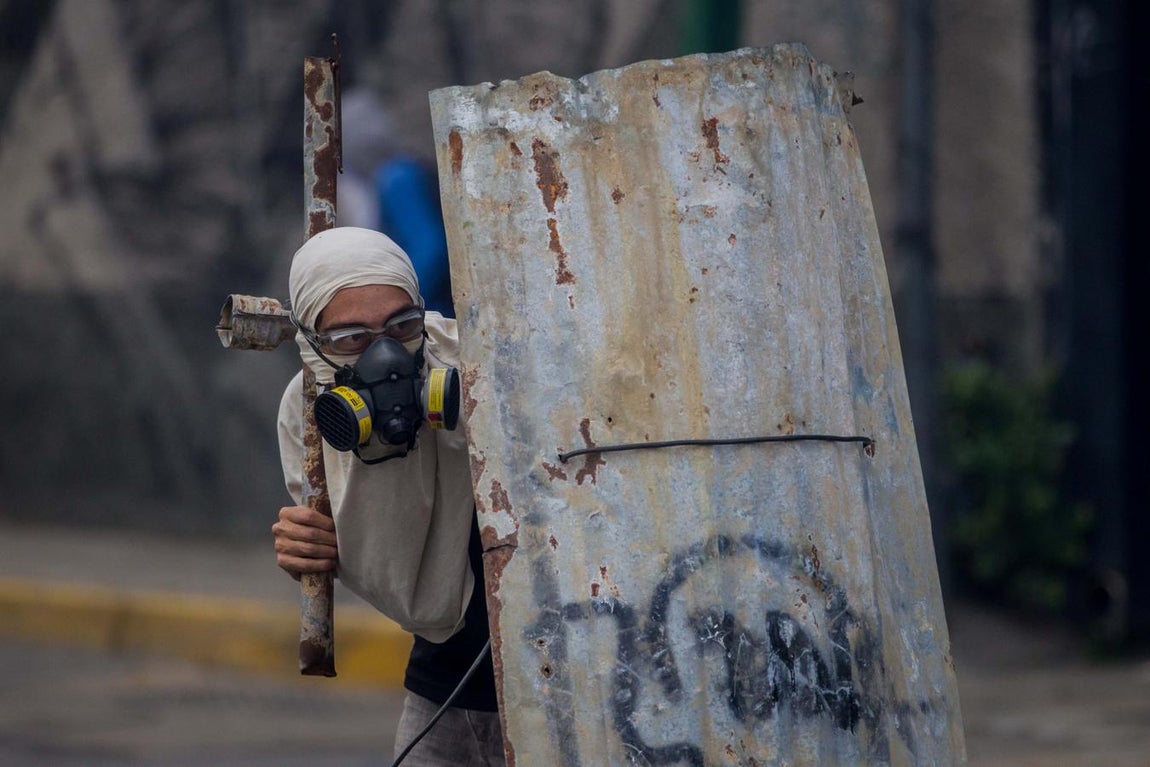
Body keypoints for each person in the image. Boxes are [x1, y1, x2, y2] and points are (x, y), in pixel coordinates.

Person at [271, 226, 503, 765]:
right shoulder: (307, 414)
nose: (387, 355)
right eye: (352, 338)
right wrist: (311, 548)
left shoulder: (484, 366)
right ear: (313, 345)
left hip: (567, 682)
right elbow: (357, 540)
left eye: (402, 326)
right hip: (444, 688)